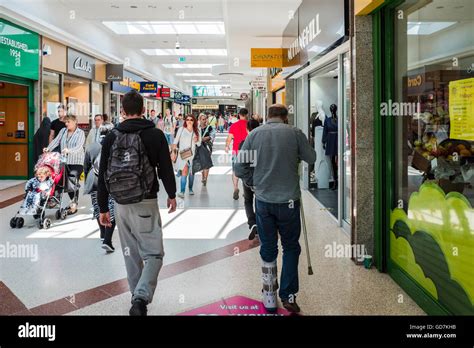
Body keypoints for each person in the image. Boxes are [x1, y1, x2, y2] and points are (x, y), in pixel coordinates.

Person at [97, 90, 177, 316]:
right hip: (146, 201)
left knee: (130, 253)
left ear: (122, 111)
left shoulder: (111, 136)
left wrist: (103, 208)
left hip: (120, 204)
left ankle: (136, 297)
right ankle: (140, 298)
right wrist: (172, 194)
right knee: (154, 255)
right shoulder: (154, 135)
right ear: (143, 110)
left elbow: (103, 174)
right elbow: (165, 169)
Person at [234, 104, 316, 314]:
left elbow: (238, 167)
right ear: (285, 118)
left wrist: (254, 183)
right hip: (289, 202)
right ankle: (288, 295)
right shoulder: (295, 133)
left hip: (263, 201)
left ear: (268, 117)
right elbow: (312, 158)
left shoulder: (255, 135)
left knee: (268, 247)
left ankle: (269, 296)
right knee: (290, 247)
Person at [44, 115, 85, 215]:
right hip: (64, 161)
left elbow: (79, 147)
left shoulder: (80, 133)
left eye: (68, 122)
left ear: (75, 122)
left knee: (72, 180)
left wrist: (69, 150)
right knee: (58, 179)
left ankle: (73, 205)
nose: (66, 124)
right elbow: (56, 141)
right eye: (65, 122)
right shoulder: (63, 131)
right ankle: (55, 200)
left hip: (76, 162)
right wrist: (48, 148)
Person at [84, 124, 116, 252]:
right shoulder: (114, 146)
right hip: (110, 180)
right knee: (111, 207)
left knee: (98, 206)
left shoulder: (91, 147)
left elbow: (85, 167)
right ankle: (108, 239)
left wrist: (87, 181)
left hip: (94, 180)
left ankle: (102, 233)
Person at [238, 119, 260, 243]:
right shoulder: (262, 143)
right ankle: (259, 222)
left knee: (247, 200)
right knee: (259, 199)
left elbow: (241, 163)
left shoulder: (243, 143)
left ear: (247, 129)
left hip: (247, 177)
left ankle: (252, 223)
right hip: (259, 176)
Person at [171, 114, 201, 198]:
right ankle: (182, 191)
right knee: (184, 172)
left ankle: (190, 188)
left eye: (191, 120)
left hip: (192, 155)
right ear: (185, 121)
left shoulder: (197, 131)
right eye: (187, 119)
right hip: (182, 154)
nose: (189, 121)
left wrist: (196, 140)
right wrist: (173, 152)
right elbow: (175, 141)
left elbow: (199, 144)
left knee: (191, 174)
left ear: (194, 121)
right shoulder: (181, 129)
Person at [225, 108, 249, 200]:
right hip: (248, 151)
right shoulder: (249, 125)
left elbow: (230, 137)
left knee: (235, 170)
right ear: (247, 115)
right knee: (246, 170)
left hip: (236, 151)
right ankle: (245, 191)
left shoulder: (234, 125)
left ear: (239, 115)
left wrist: (227, 146)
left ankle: (235, 188)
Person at [198, 113, 216, 186]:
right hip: (199, 146)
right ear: (199, 119)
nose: (204, 121)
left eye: (205, 119)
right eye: (202, 119)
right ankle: (203, 177)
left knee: (207, 162)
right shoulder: (197, 128)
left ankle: (205, 178)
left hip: (207, 146)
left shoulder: (209, 127)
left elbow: (213, 135)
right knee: (202, 162)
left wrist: (207, 138)